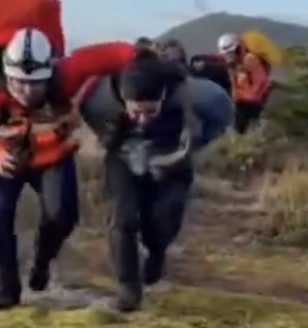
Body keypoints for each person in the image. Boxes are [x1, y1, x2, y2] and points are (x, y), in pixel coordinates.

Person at [0, 27, 137, 310]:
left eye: (36, 83)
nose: (26, 90)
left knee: (63, 216)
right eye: (18, 82)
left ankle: (42, 260)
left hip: (53, 155)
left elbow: (109, 55)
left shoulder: (67, 73)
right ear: (6, 73)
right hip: (6, 158)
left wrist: (143, 58)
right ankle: (4, 293)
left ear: (50, 72)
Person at [75, 50, 232, 311]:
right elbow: (85, 113)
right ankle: (128, 290)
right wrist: (108, 134)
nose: (144, 119)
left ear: (163, 96)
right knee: (122, 220)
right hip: (124, 158)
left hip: (172, 160)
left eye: (151, 112)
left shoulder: (196, 95)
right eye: (136, 112)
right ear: (122, 100)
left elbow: (223, 114)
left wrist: (196, 140)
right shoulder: (98, 98)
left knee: (160, 221)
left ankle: (156, 255)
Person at [216, 32, 274, 134]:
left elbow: (261, 81)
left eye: (230, 53)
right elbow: (235, 82)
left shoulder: (249, 60)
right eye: (226, 54)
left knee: (249, 128)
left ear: (236, 49)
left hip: (254, 101)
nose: (228, 56)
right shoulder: (233, 64)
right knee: (239, 129)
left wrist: (251, 97)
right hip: (242, 100)